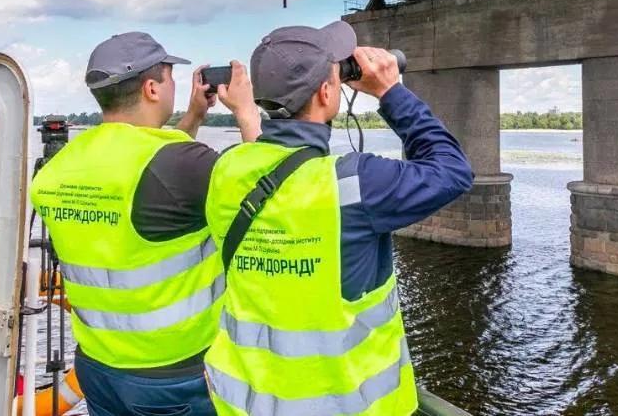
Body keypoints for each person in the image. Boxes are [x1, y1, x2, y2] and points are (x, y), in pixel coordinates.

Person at [202, 21, 474, 416]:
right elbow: (453, 171)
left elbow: (267, 157)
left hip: (245, 403)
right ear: (328, 92)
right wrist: (390, 91)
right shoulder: (354, 183)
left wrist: (247, 112)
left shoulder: (227, 170)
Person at [29, 32, 259, 416]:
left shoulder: (56, 171)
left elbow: (152, 174)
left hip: (98, 368)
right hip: (173, 375)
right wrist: (247, 112)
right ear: (152, 88)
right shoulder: (183, 165)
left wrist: (194, 118)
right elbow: (271, 192)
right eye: (169, 78)